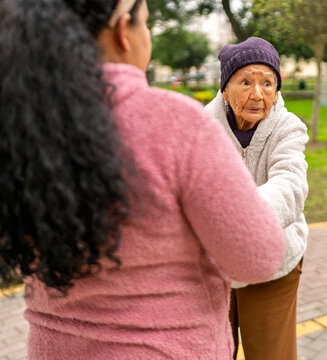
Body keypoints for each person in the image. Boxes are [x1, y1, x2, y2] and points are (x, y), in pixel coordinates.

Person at [0, 1, 286, 359]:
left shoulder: (19, 128)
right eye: (146, 23)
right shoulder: (175, 123)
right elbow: (258, 258)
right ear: (124, 30)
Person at [205, 37, 309, 360]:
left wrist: (238, 211)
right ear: (225, 88)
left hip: (272, 265)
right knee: (210, 353)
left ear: (277, 89)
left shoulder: (288, 128)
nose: (257, 93)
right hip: (215, 267)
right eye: (246, 81)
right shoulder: (202, 128)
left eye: (267, 82)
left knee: (271, 354)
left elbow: (291, 186)